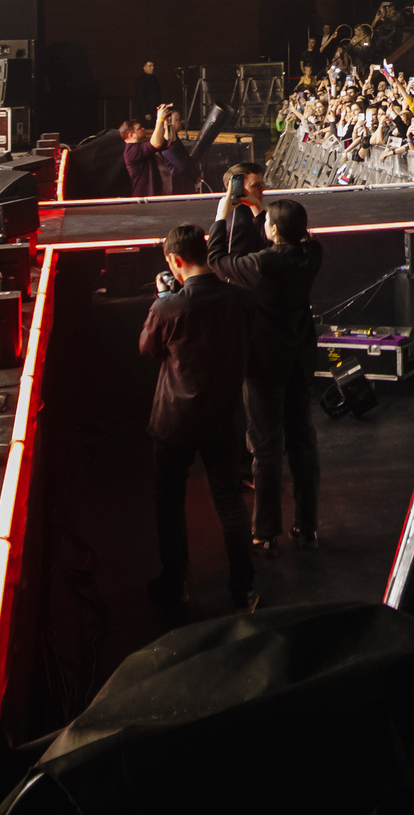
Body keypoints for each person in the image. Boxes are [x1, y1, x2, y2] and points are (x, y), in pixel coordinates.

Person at [139, 224, 256, 615]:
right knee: (230, 501)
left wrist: (162, 298)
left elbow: (148, 348)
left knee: (168, 501)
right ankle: (244, 589)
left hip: (175, 418)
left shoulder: (168, 307)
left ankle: (177, 584)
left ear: (174, 261)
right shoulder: (240, 299)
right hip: (225, 415)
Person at [209, 184, 323, 552]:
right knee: (303, 441)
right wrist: (261, 211)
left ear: (274, 231)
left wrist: (222, 215)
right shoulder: (313, 252)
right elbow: (282, 241)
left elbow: (218, 261)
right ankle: (307, 525)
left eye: (269, 224)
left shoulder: (262, 265)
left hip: (264, 364)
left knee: (266, 447)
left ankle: (265, 530)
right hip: (299, 359)